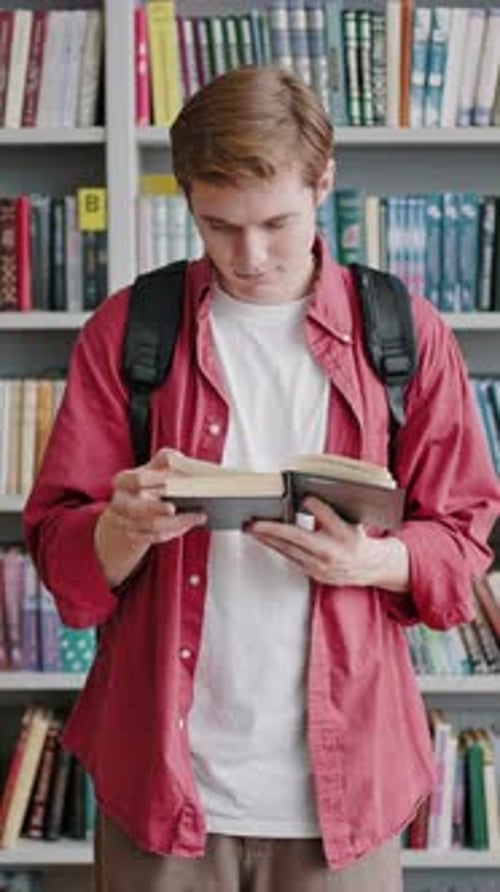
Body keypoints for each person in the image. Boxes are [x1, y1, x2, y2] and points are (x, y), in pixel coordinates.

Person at [24, 65, 499, 892]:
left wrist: (373, 562)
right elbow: (60, 554)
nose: (249, 257)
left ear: (325, 184)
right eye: (219, 225)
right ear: (188, 201)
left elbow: (465, 540)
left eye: (277, 223)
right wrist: (118, 528)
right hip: (161, 787)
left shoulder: (403, 333)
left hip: (345, 799)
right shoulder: (129, 331)